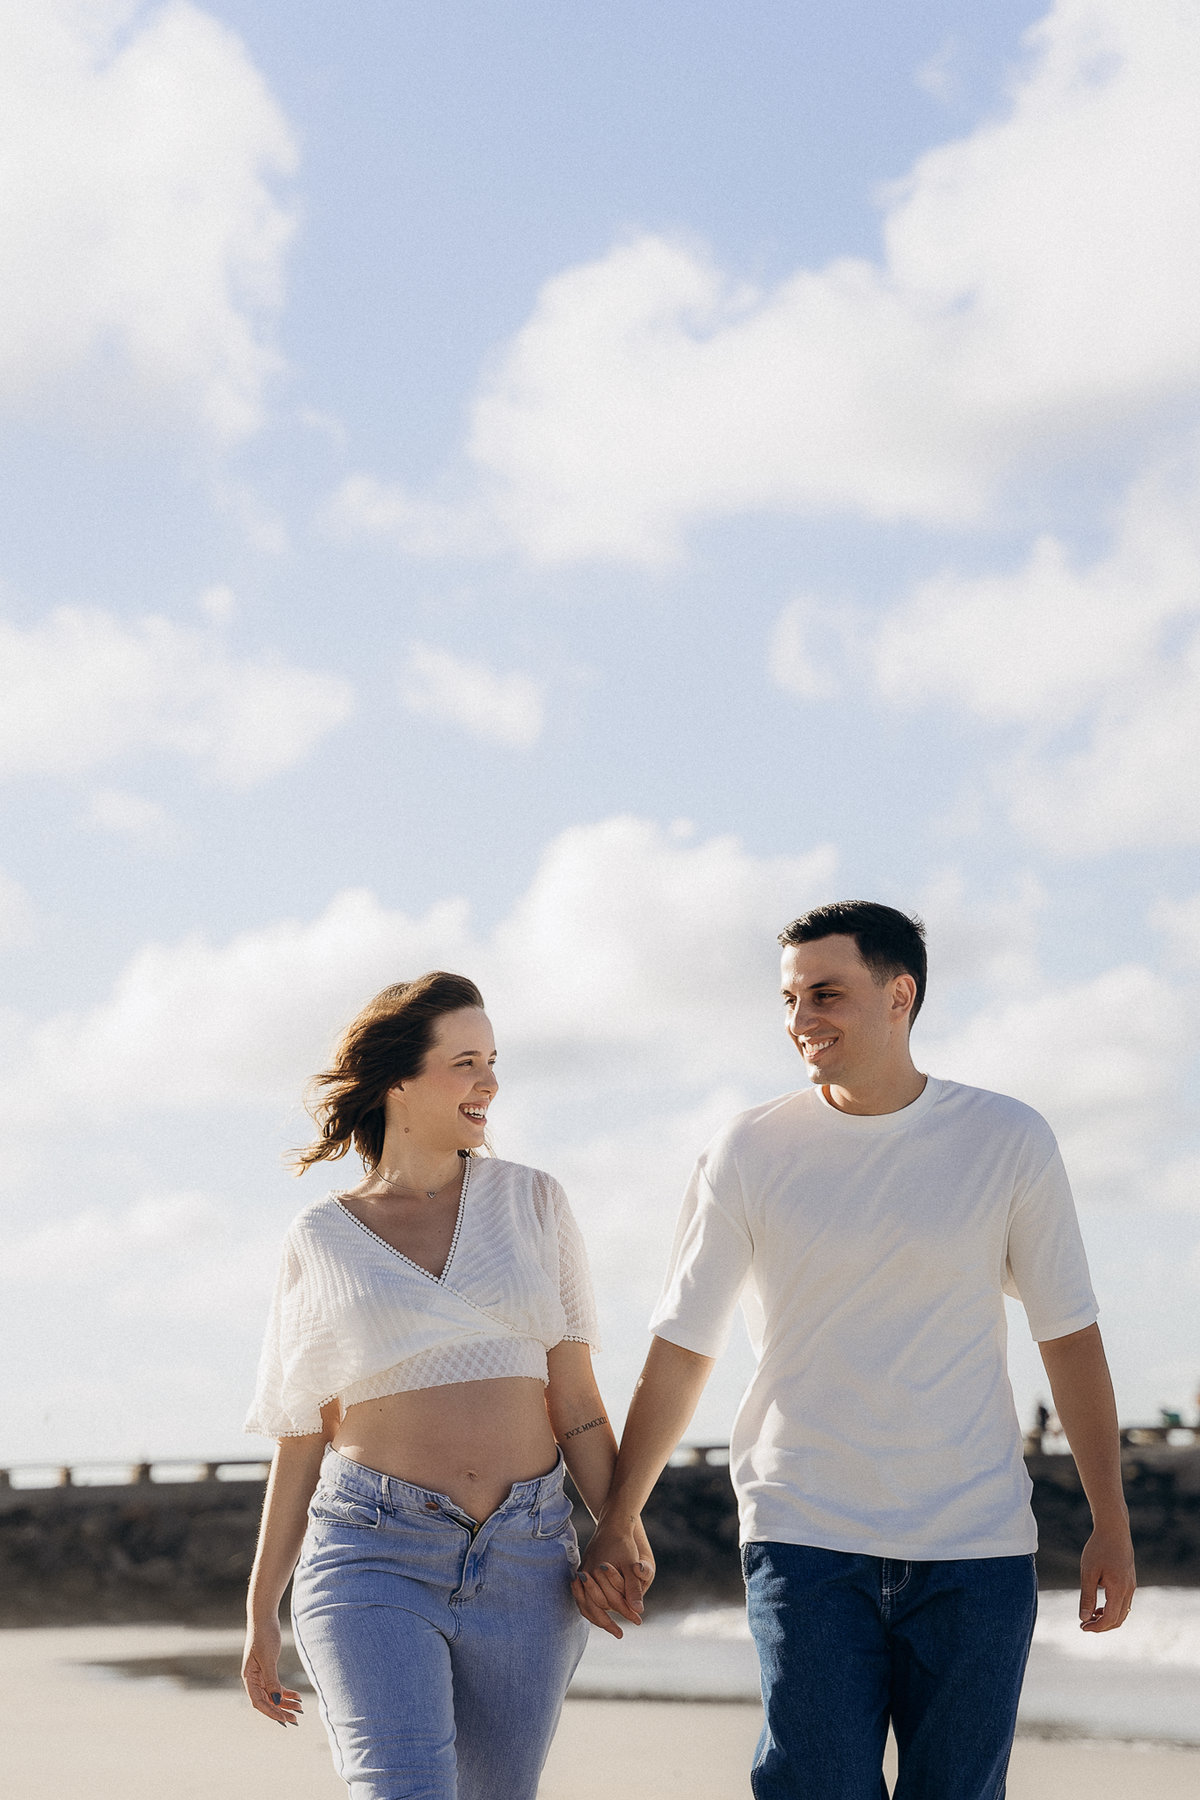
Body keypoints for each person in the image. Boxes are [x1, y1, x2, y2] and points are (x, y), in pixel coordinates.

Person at [573, 902, 1136, 1799]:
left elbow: (1068, 1335)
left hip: (977, 1545)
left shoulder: (1007, 1139)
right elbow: (682, 1346)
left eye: (825, 994)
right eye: (789, 999)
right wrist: (618, 1515)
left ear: (899, 995)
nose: (801, 1019)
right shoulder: (747, 1149)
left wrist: (1111, 1518)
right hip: (805, 1535)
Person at [241, 971, 646, 1800]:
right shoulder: (321, 1236)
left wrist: (621, 1528)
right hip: (372, 1551)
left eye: (492, 1062)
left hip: (528, 1557)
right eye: (466, 1063)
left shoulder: (533, 1201)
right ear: (398, 1078)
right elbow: (302, 1433)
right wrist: (259, 1613)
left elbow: (575, 1405)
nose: (489, 1082)